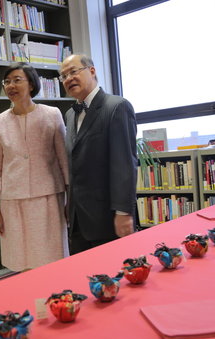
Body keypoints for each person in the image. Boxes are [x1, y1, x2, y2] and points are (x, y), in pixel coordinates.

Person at [0, 62, 69, 271]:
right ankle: (31, 303)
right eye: (7, 82)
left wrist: (71, 200)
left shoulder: (52, 114)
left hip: (49, 199)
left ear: (31, 84)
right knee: (21, 263)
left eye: (17, 80)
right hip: (13, 203)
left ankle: (57, 302)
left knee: (52, 261)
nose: (11, 86)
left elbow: (64, 161)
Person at [59, 54, 138, 255]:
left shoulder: (116, 106)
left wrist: (123, 212)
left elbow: (124, 164)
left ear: (92, 71)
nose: (68, 79)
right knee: (83, 281)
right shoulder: (69, 114)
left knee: (114, 279)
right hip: (78, 220)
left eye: (73, 71)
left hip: (108, 218)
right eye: (63, 76)